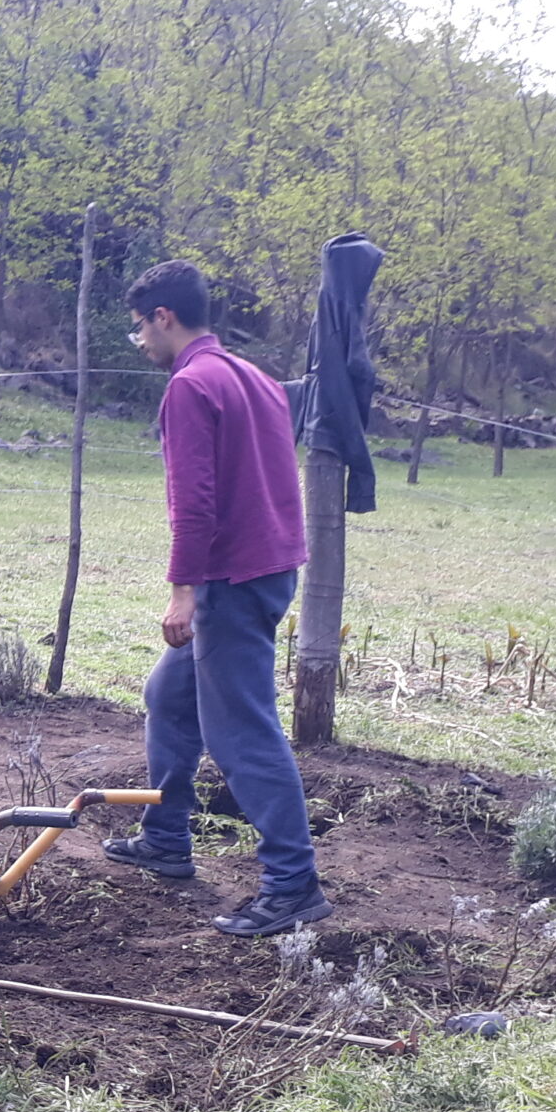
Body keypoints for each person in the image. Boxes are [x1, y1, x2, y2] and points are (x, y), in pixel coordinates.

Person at [105, 259, 331, 937]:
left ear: (163, 318)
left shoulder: (190, 386)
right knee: (170, 698)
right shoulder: (253, 378)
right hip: (267, 570)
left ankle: (293, 885)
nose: (139, 339)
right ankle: (166, 838)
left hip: (229, 581)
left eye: (140, 326)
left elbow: (194, 506)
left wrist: (184, 593)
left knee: (242, 730)